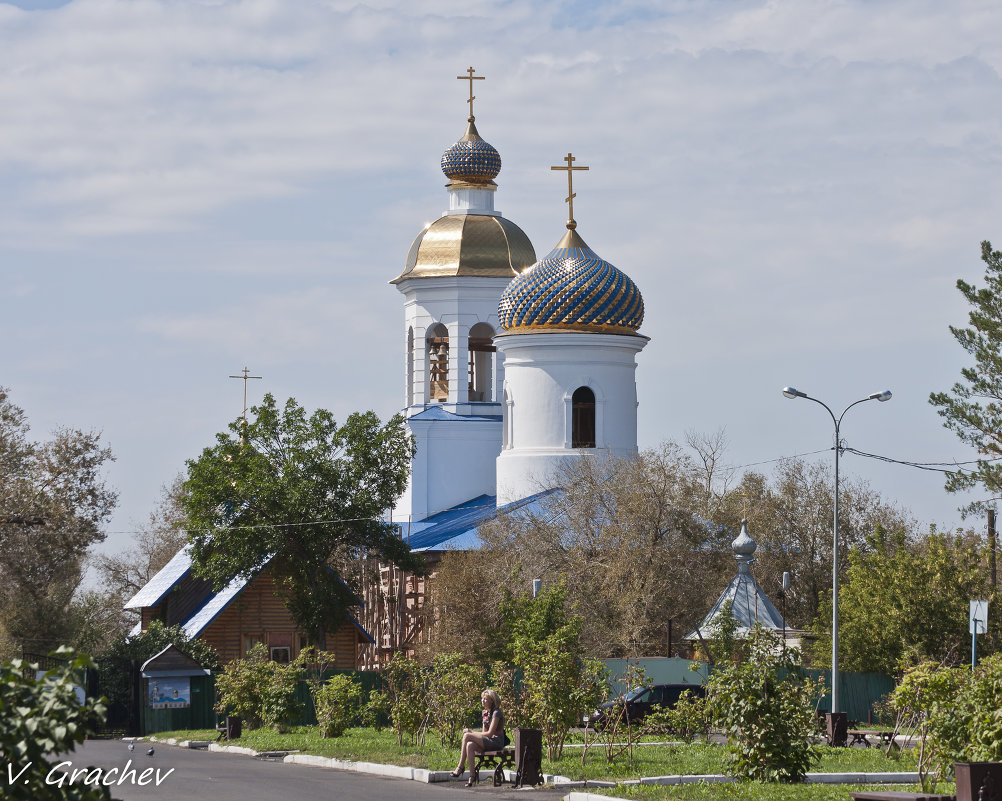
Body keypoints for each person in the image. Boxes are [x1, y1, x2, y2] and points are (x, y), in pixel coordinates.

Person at [451, 689, 505, 786]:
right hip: (488, 741)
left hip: (496, 741)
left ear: (492, 701)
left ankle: (460, 767)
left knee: (467, 735)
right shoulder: (484, 713)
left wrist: (471, 732)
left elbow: (489, 733)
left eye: (485, 699)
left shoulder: (496, 712)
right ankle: (472, 776)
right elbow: (484, 733)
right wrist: (474, 734)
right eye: (482, 699)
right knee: (470, 745)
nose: (482, 701)